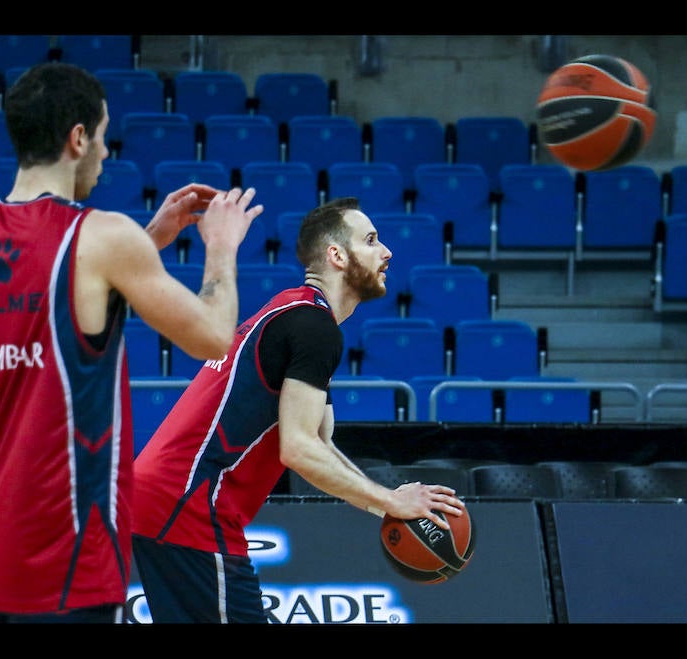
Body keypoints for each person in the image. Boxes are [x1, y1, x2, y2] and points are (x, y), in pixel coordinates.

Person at [0, 61, 262, 623]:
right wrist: (221, 245)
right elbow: (214, 338)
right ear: (77, 138)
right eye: (104, 136)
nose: (107, 153)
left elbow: (63, 293)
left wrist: (154, 237)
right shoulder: (102, 235)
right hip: (69, 547)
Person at [130, 196, 467, 623]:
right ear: (337, 255)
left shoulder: (298, 314)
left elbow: (319, 443)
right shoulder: (313, 327)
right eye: (371, 240)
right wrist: (387, 502)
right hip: (189, 504)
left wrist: (388, 502)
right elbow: (299, 450)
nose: (387, 252)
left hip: (172, 499)